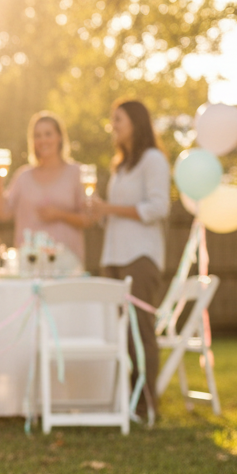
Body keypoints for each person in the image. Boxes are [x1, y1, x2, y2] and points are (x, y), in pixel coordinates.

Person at [89, 99, 171, 420]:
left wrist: (109, 209)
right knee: (118, 332)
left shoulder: (153, 160)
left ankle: (146, 404)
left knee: (140, 331)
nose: (114, 126)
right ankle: (122, 398)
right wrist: (99, 213)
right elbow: (115, 216)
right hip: (113, 256)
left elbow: (158, 208)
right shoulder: (120, 165)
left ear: (136, 123)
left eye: (118, 120)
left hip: (140, 257)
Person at [0, 111, 88, 261]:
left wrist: (59, 214)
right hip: (29, 261)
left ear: (59, 137)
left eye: (48, 134)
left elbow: (89, 218)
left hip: (66, 262)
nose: (43, 140)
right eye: (37, 135)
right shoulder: (23, 176)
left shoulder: (77, 173)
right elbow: (3, 213)